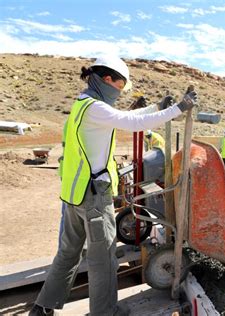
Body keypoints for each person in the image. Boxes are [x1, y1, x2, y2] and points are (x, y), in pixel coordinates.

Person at [29, 55, 197, 316]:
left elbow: (121, 117)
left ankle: (43, 306)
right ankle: (105, 312)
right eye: (120, 86)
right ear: (107, 80)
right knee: (103, 261)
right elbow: (131, 123)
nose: (120, 92)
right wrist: (178, 109)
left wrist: (155, 107)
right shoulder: (96, 108)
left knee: (68, 254)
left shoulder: (83, 104)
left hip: (74, 195)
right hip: (94, 197)